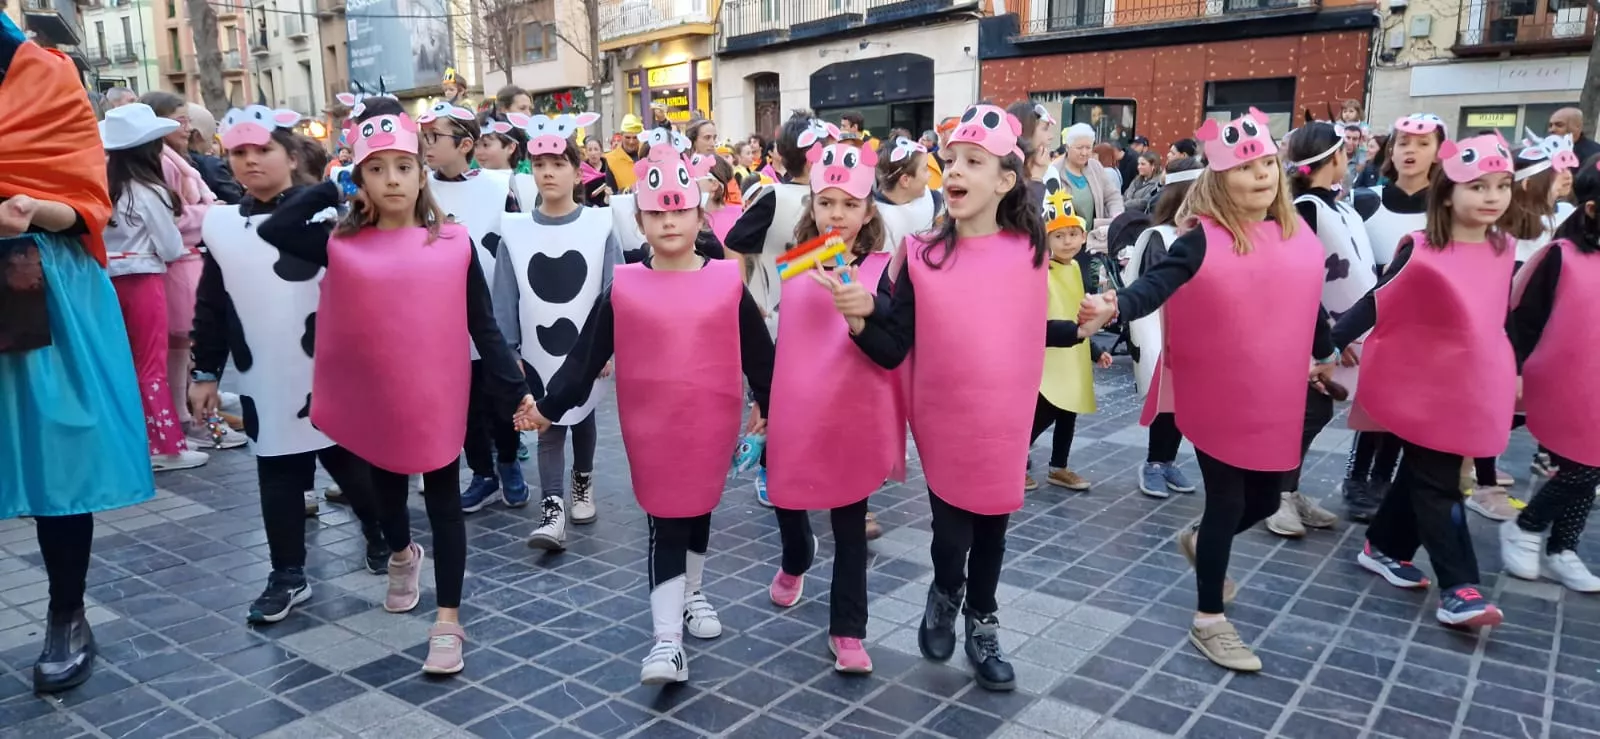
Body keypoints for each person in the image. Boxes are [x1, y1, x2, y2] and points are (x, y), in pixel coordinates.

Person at [818, 103, 1107, 692]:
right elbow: (893, 346)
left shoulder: (1030, 249)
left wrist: (1078, 330)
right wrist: (858, 317)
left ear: (1005, 180)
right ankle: (946, 589)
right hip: (943, 418)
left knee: (994, 530)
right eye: (951, 160)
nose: (954, 170)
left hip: (1006, 416)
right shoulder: (920, 252)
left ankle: (983, 622)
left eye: (974, 161)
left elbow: (1023, 325)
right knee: (951, 535)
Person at [259, 97, 535, 674]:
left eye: (403, 166)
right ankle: (403, 553)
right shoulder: (341, 241)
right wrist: (330, 187)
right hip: (375, 400)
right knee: (388, 496)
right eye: (376, 169)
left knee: (443, 503)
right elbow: (277, 228)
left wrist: (516, 391)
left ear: (421, 174)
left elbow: (483, 325)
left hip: (436, 397)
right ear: (361, 179)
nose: (391, 180)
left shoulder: (453, 243)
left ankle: (448, 621)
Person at [1079, 108, 1332, 672]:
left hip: (1276, 396)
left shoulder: (1297, 236)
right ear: (1219, 181)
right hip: (1219, 395)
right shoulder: (1200, 242)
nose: (1261, 174)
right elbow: (1155, 284)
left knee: (1265, 499)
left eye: (1266, 164)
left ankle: (1199, 539)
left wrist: (1326, 352)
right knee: (1229, 502)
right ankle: (1209, 619)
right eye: (1245, 168)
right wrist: (1114, 305)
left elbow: (1309, 297)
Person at [517, 140, 774, 686]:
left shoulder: (727, 282)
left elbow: (760, 354)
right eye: (656, 213)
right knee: (665, 517)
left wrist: (770, 404)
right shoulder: (626, 286)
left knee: (699, 509)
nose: (669, 221)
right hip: (651, 427)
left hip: (711, 420)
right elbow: (586, 355)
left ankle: (693, 592)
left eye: (679, 210)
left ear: (700, 216)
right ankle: (666, 641)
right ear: (640, 221)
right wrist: (549, 407)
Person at [0, 14, 157, 693]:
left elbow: (85, 205)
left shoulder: (47, 77)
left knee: (59, 451)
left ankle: (67, 614)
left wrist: (29, 208)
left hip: (41, 282)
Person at [190, 105, 391, 622]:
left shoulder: (329, 219)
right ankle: (287, 574)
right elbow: (212, 303)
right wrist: (205, 372)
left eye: (263, 150)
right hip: (263, 373)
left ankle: (380, 533)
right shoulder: (221, 224)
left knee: (347, 461)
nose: (251, 161)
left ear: (292, 155)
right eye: (239, 152)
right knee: (276, 467)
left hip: (330, 367)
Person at [1330, 132, 1518, 628]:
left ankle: (1384, 546)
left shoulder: (1504, 247)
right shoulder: (1422, 249)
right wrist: (1324, 348)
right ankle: (1460, 588)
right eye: (1479, 187)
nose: (1493, 197)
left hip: (1474, 388)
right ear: (1449, 192)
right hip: (1421, 389)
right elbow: (1377, 300)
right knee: (1440, 483)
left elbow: (1504, 316)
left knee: (1423, 474)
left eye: (1502, 186)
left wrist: (1515, 371)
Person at [764, 140, 899, 674]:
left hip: (852, 415)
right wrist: (763, 400)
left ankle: (848, 629)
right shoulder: (796, 263)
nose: (837, 214)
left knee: (849, 525)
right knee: (787, 497)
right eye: (826, 203)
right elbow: (786, 336)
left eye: (849, 204)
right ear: (813, 206)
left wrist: (864, 312)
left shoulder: (884, 270)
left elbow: (891, 350)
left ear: (868, 212)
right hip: (796, 409)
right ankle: (797, 556)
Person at [494, 111, 621, 546]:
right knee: (547, 421)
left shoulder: (600, 225)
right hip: (536, 349)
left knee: (582, 416)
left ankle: (582, 480)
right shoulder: (515, 230)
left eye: (558, 163)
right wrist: (509, 350)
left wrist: (607, 348)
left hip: (587, 347)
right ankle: (552, 507)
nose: (548, 173)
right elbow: (505, 295)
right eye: (539, 165)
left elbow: (613, 288)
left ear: (576, 172)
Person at [417, 101, 528, 514]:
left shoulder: (499, 186)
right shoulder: (418, 188)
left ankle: (508, 462)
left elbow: (517, 247)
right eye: (424, 137)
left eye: (435, 137)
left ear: (465, 144)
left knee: (501, 396)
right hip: (443, 317)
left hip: (492, 315)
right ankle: (482, 473)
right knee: (463, 403)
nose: (427, 145)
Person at [1266, 120, 1375, 538]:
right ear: (1334, 158)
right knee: (1304, 412)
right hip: (1308, 333)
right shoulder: (1304, 209)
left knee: (1315, 411)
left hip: (1332, 332)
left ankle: (1288, 490)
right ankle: (1276, 495)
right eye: (1346, 150)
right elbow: (1299, 277)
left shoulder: (1337, 206)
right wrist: (1328, 336)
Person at [724, 112, 834, 507]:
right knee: (776, 393)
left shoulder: (835, 195)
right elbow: (735, 241)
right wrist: (745, 295)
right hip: (776, 314)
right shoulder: (774, 196)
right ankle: (770, 468)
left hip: (821, 312)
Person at [1500, 155, 1600, 592]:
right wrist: (1516, 370)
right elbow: (1522, 319)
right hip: (1564, 380)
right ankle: (1526, 526)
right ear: (1591, 209)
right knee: (1583, 468)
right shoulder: (1559, 255)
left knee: (1592, 468)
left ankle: (1563, 548)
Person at [1343, 113, 1446, 521]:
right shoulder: (1364, 201)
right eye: (1403, 143)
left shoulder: (1447, 208)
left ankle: (1383, 480)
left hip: (1422, 324)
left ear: (1439, 151)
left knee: (1403, 408)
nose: (1410, 151)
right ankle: (1357, 478)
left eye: (1422, 144)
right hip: (1369, 318)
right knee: (1371, 405)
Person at [140, 91, 249, 452]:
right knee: (184, 347)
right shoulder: (165, 163)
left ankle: (189, 417)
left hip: (185, 261)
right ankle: (190, 419)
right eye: (180, 120)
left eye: (187, 120)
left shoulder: (173, 160)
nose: (187, 128)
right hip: (180, 263)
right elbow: (173, 215)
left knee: (183, 349)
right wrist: (211, 212)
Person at [100, 104, 206, 473]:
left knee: (122, 363)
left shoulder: (102, 188)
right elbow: (171, 247)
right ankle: (164, 445)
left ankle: (135, 440)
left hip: (105, 280)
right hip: (144, 279)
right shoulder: (149, 191)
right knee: (151, 363)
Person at [1117, 158, 1202, 499]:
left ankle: (1168, 460)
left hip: (1196, 331)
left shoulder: (1206, 236)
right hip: (1163, 330)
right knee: (1165, 399)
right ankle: (1154, 462)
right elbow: (1155, 285)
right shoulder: (1161, 237)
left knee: (1184, 400)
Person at [1028, 189, 1110, 492]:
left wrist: (1095, 350)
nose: (1068, 242)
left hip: (1073, 354)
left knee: (1068, 412)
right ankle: (1015, 459)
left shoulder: (1075, 267)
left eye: (1073, 234)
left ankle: (1058, 467)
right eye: (1059, 236)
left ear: (1084, 236)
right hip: (1050, 357)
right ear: (1046, 239)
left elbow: (1076, 311)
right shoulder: (1041, 271)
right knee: (1044, 411)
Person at [1058, 123, 1125, 253]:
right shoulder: (1056, 171)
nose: (1084, 153)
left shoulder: (1095, 167)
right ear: (1067, 147)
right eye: (1079, 148)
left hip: (1094, 241)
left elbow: (1112, 195)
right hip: (1066, 243)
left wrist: (1117, 214)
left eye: (1088, 148)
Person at [874, 136, 941, 254]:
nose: (929, 175)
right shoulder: (872, 220)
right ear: (905, 180)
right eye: (925, 169)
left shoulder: (932, 199)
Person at [185, 103, 244, 204]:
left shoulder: (165, 161)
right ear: (197, 136)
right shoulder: (210, 164)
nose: (212, 143)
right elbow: (235, 201)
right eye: (212, 137)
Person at [604, 113, 645, 192]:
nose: (631, 141)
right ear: (621, 136)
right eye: (627, 137)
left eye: (635, 138)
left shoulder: (647, 153)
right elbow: (612, 191)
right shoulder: (611, 159)